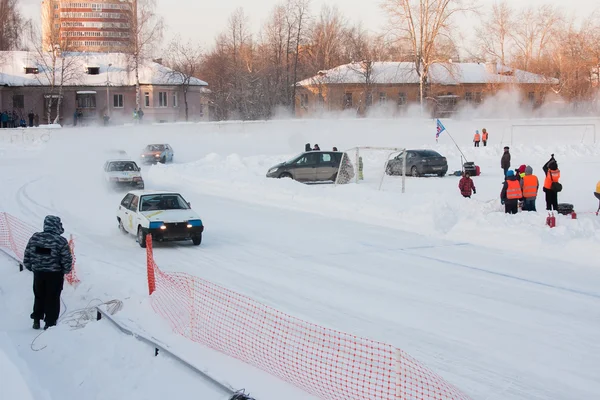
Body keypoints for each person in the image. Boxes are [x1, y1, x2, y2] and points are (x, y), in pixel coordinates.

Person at [23, 215, 73, 330]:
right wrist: (66, 270)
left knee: (39, 296)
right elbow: (66, 259)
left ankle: (36, 319)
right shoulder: (60, 241)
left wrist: (30, 266)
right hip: (55, 275)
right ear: (57, 225)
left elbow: (27, 254)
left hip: (38, 273)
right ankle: (50, 323)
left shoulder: (35, 237)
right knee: (53, 298)